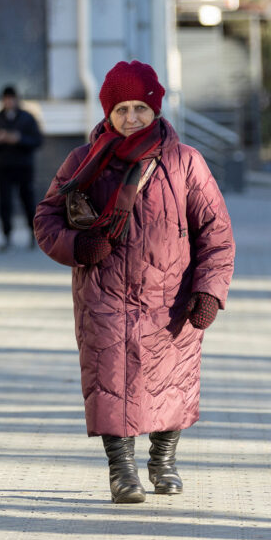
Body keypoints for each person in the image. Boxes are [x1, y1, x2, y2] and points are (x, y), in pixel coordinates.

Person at [33, 61, 235, 504]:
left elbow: (216, 233)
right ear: (108, 113)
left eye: (139, 109)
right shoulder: (82, 162)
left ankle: (164, 461)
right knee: (109, 381)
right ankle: (121, 472)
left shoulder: (185, 162)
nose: (130, 118)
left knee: (172, 381)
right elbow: (46, 219)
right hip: (103, 296)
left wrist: (208, 292)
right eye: (121, 109)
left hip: (171, 298)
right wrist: (78, 247)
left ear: (155, 109)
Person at [0, 85, 43, 251]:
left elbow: (37, 141)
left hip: (24, 166)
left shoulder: (27, 118)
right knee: (5, 203)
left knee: (28, 201)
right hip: (4, 167)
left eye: (11, 98)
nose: (9, 102)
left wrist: (19, 139)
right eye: (6, 99)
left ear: (17, 99)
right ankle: (6, 236)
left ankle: (33, 235)